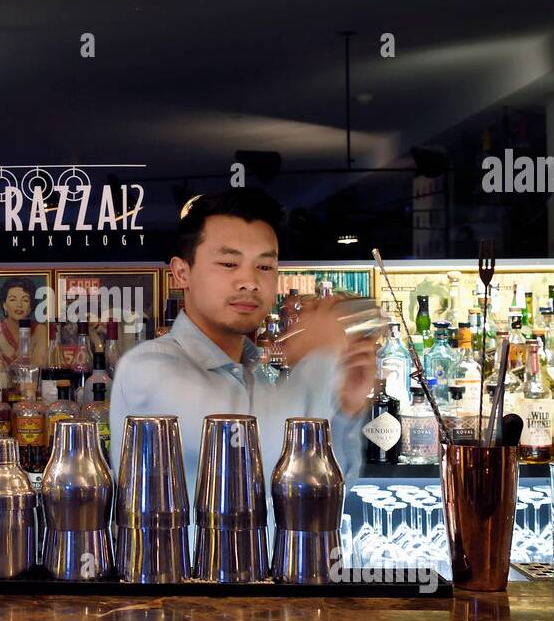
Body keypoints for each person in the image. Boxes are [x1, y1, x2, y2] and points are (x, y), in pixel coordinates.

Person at [109, 189, 375, 503]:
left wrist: (347, 405)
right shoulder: (147, 368)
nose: (249, 282)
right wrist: (317, 354)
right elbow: (245, 446)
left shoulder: (258, 380)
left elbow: (324, 487)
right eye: (229, 264)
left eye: (264, 267)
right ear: (181, 273)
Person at [0, 276, 50, 367]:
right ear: (4, 305)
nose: (19, 305)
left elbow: (38, 367)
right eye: (13, 299)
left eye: (25, 300)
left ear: (30, 307)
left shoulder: (41, 330)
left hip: (31, 381)